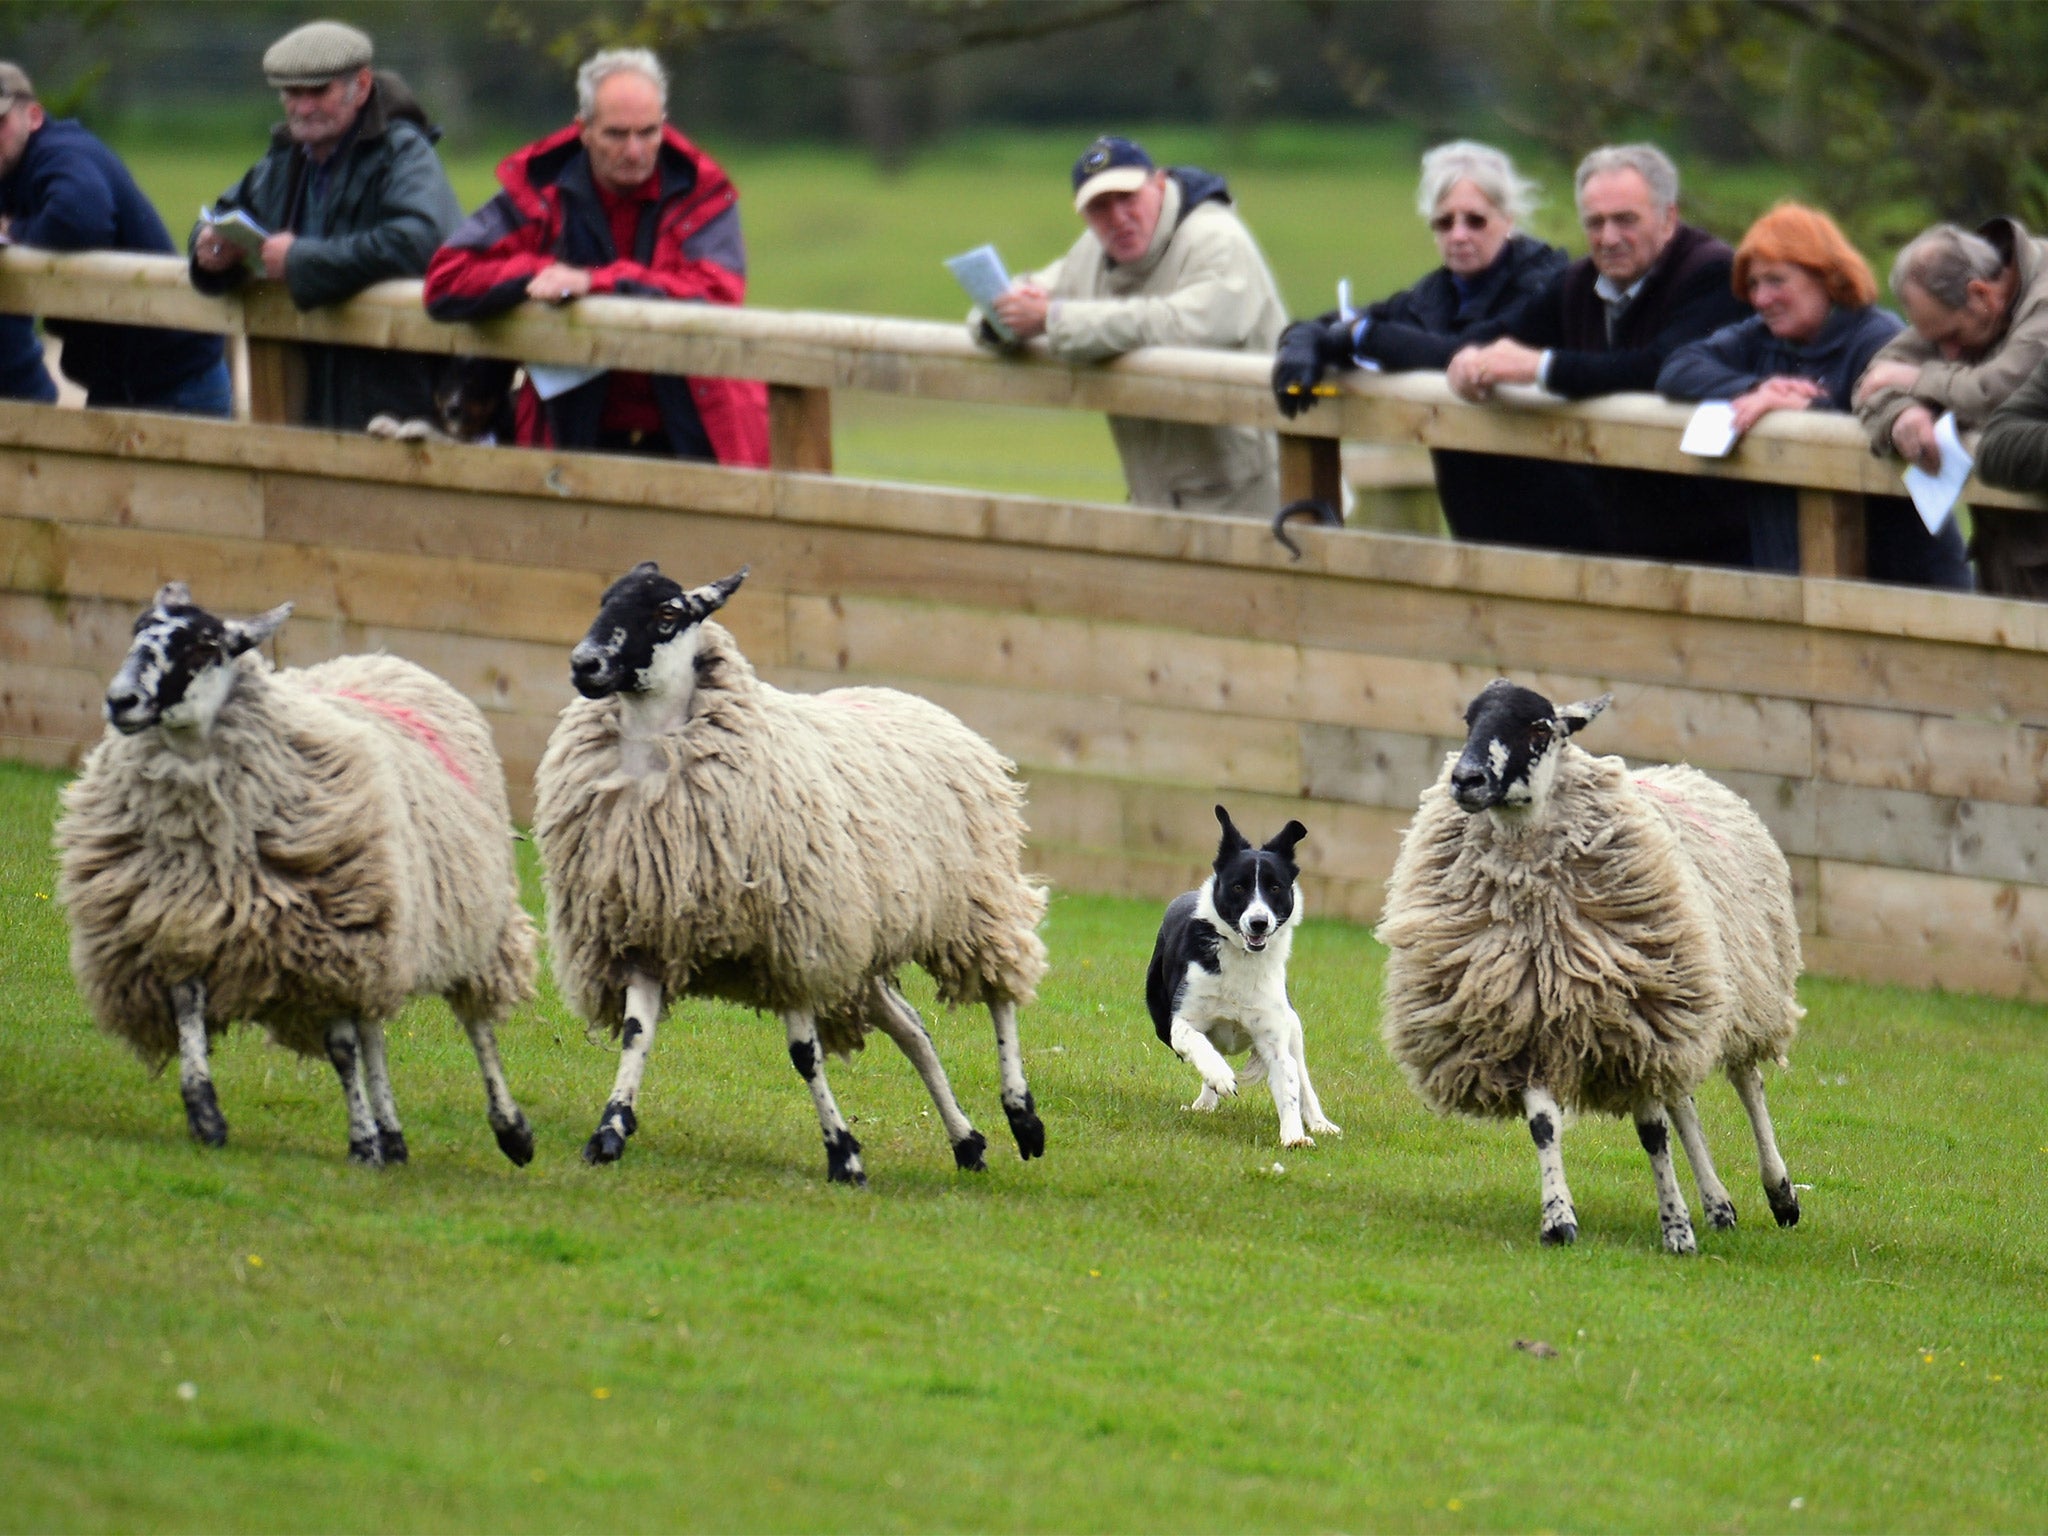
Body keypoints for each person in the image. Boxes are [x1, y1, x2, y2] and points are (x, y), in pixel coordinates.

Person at [423, 49, 767, 466]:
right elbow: (446, 279)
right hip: (572, 433)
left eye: (648, 132)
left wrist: (595, 283)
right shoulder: (541, 191)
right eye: (616, 134)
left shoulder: (703, 192)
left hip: (697, 432)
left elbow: (716, 296)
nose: (635, 151)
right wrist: (541, 271)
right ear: (583, 130)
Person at [1445, 143, 1749, 561]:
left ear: (1668, 219)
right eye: (1595, 223)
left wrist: (1542, 367)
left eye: (1626, 220)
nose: (1608, 238)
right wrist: (1468, 356)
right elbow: (1500, 331)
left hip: (1719, 539)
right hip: (1624, 534)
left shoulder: (1714, 274)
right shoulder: (1578, 283)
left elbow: (1659, 367)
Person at [971, 134, 1287, 514]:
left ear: (1159, 184)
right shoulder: (1094, 250)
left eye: (1128, 198)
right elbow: (1030, 294)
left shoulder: (1217, 237)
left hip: (1269, 503)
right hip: (1161, 506)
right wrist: (999, 319)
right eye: (1100, 207)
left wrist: (1053, 319)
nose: (1118, 218)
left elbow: (1195, 326)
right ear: (1082, 214)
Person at [1658, 203, 1970, 587]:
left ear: (1826, 276)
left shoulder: (1878, 337)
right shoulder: (1760, 337)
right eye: (1754, 285)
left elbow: (1888, 413)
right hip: (1793, 584)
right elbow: (1678, 368)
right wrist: (1756, 388)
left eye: (1776, 281)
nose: (1761, 299)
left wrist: (1810, 409)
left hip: (1906, 585)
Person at [1269, 140, 1567, 536]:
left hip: (1563, 516)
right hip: (1474, 523)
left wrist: (1363, 338)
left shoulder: (1550, 284)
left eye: (1475, 221)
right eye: (1444, 222)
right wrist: (1301, 346)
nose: (1459, 235)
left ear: (1508, 220)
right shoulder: (1435, 295)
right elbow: (1338, 322)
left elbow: (1472, 351)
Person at [189, 21, 461, 430]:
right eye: (292, 93)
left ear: (363, 85)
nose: (302, 107)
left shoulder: (403, 153)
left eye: (318, 91)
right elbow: (221, 216)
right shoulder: (283, 162)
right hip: (302, 403)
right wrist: (209, 250)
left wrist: (300, 261)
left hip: (395, 406)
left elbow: (419, 241)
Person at [0, 62, 230, 415]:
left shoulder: (61, 152)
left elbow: (80, 221)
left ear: (33, 116)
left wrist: (13, 232)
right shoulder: (11, 169)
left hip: (179, 380)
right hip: (118, 382)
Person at [1853, 220, 2048, 597]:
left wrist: (1916, 380)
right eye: (1934, 341)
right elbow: (1874, 380)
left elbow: (2001, 395)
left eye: (1953, 337)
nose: (1948, 354)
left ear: (1981, 295)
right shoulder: (1958, 307)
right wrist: (1903, 414)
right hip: (2008, 559)